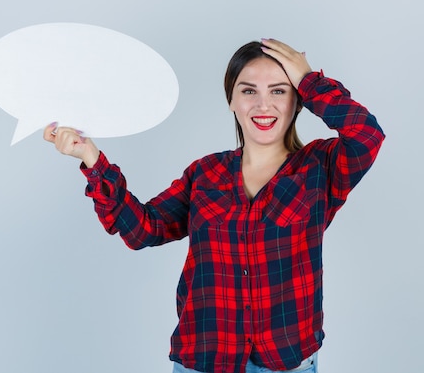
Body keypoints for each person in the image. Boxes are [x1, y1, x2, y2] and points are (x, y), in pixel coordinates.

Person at [43, 39, 385, 373]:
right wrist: (90, 157)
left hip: (286, 363)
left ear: (297, 101)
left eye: (279, 91)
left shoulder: (319, 168)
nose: (263, 105)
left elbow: (367, 135)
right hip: (205, 361)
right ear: (232, 101)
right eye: (249, 91)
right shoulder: (205, 174)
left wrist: (309, 80)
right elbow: (142, 229)